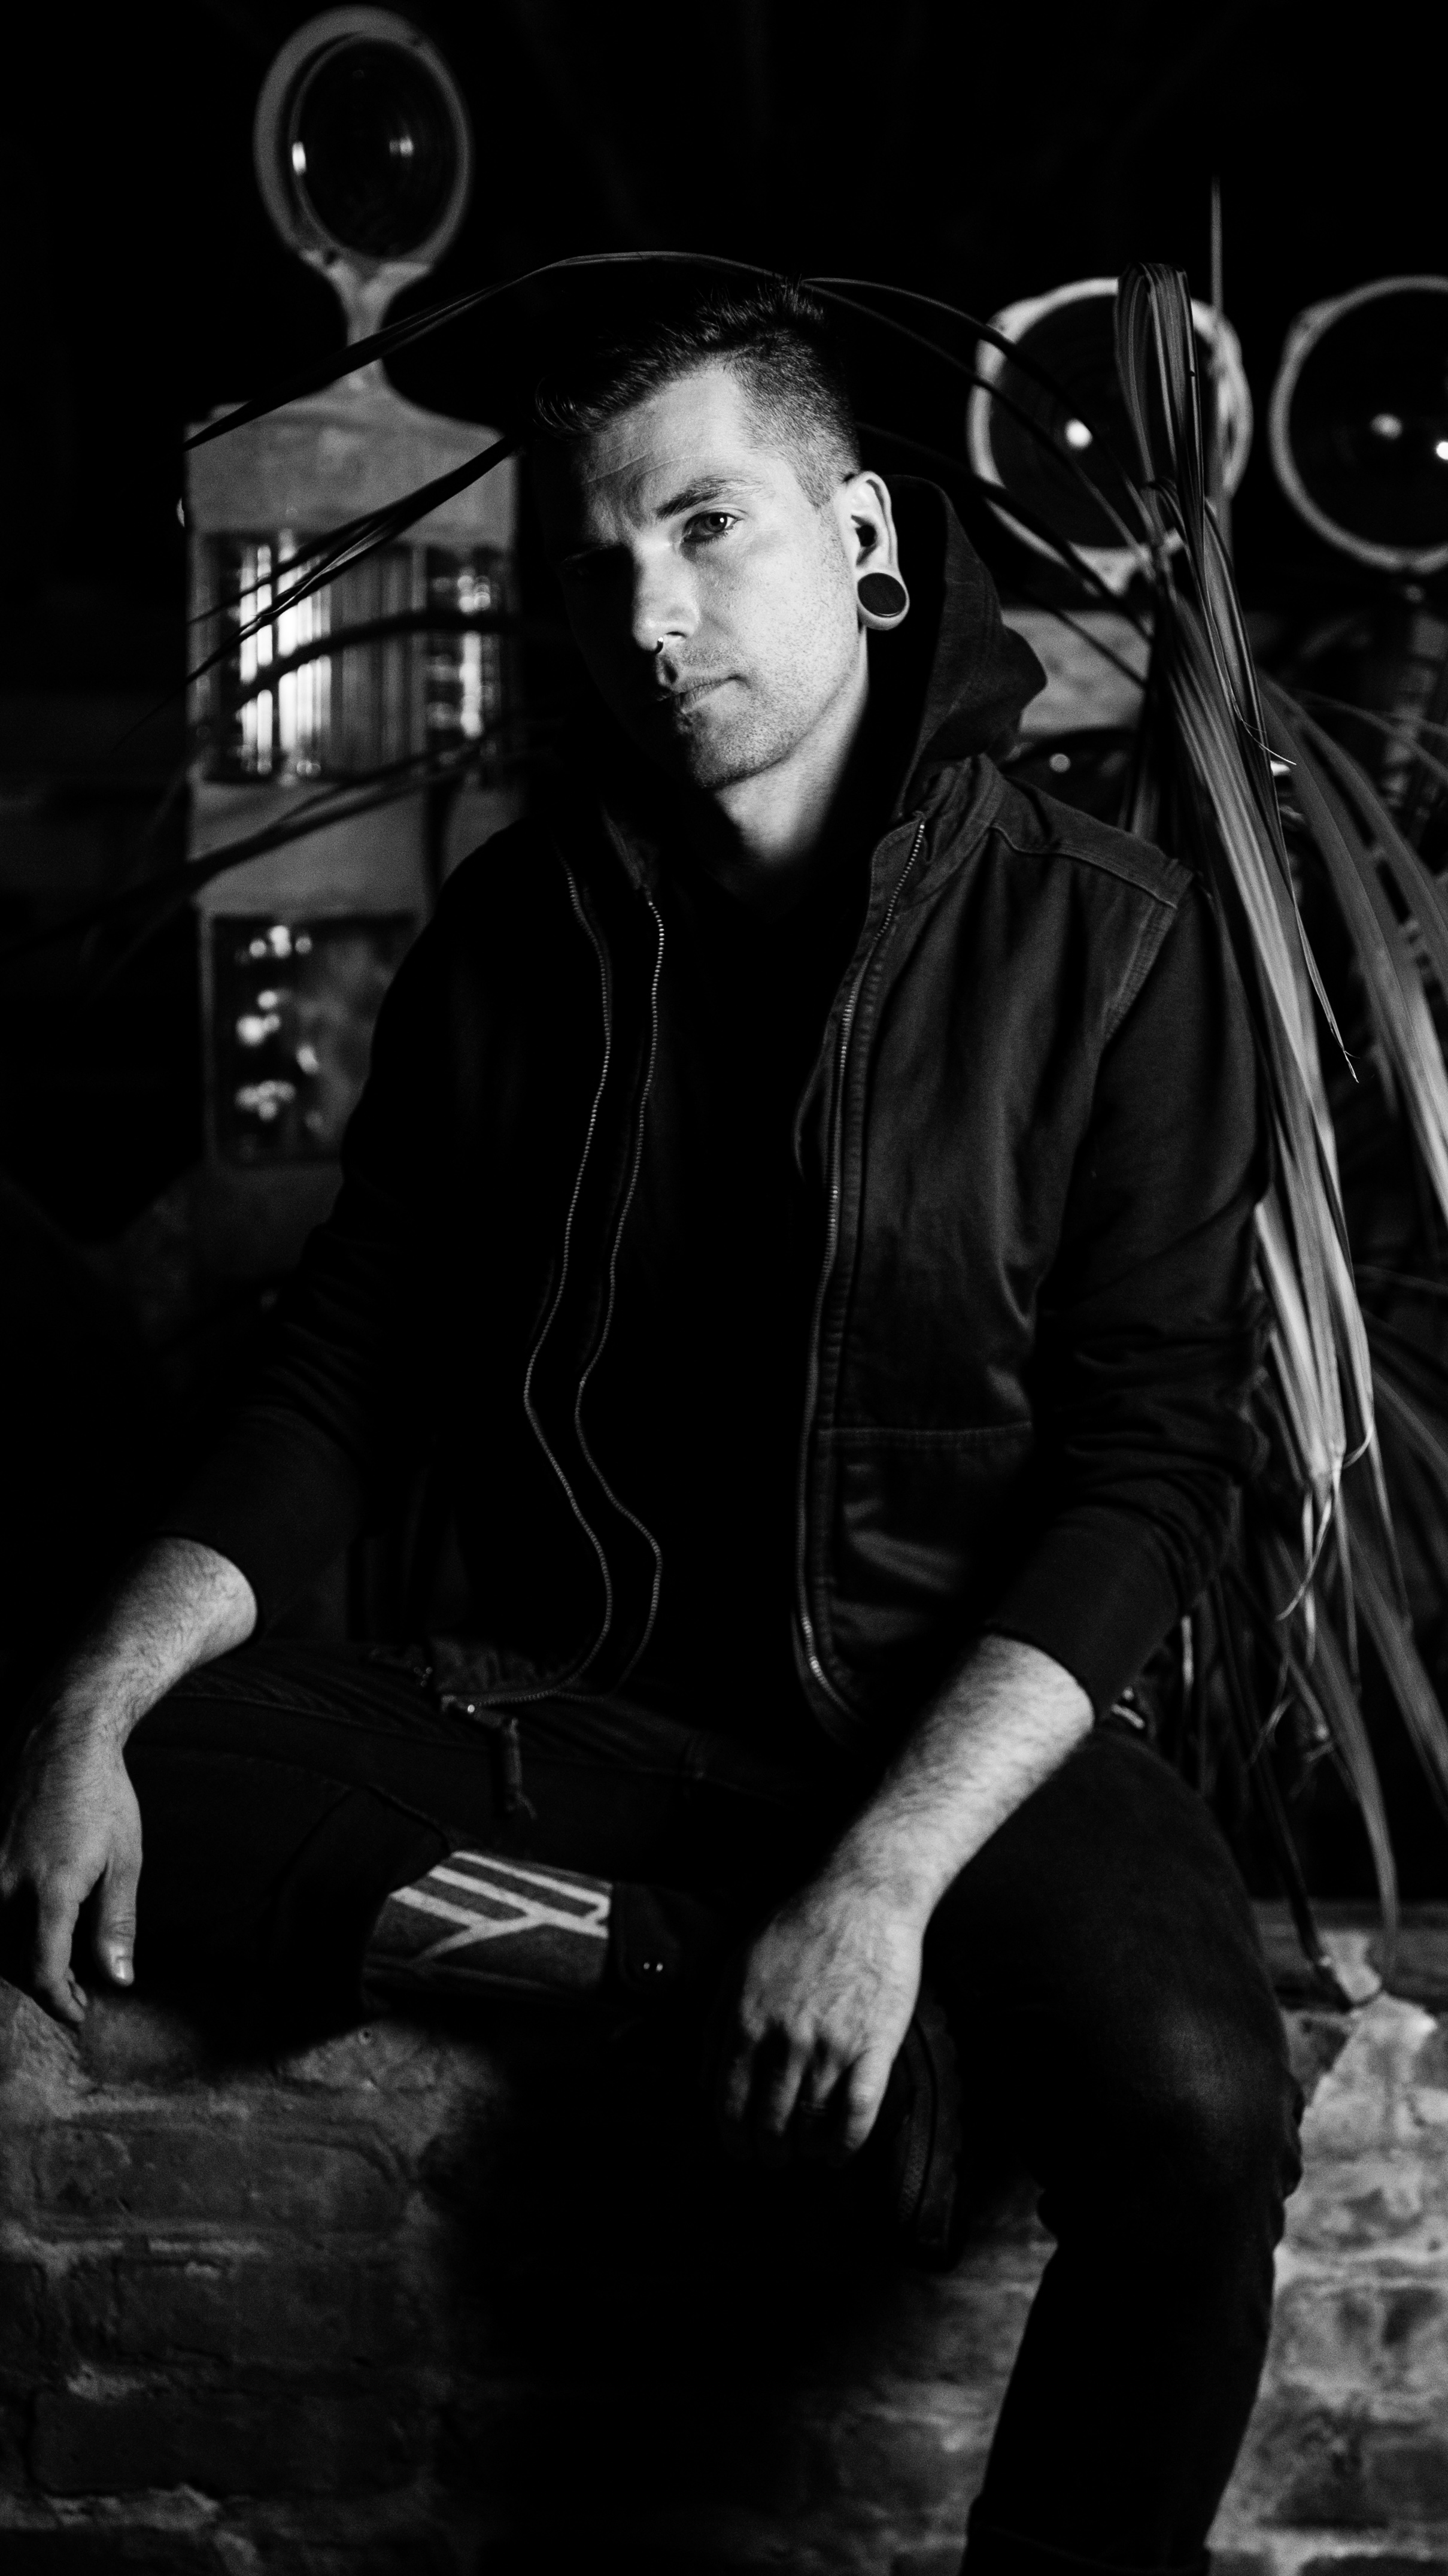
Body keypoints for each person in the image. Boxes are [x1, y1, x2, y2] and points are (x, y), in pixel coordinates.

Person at [0, 276, 1299, 2575]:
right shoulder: (523, 931)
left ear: (863, 538)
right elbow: (346, 1365)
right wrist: (98, 1698)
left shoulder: (1108, 941)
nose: (648, 613)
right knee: (95, 1778)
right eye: (598, 561)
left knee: (1200, 2118)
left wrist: (881, 1885)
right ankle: (683, 1973)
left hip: (946, 1725)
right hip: (582, 1722)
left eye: (707, 527)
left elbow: (1145, 1469)